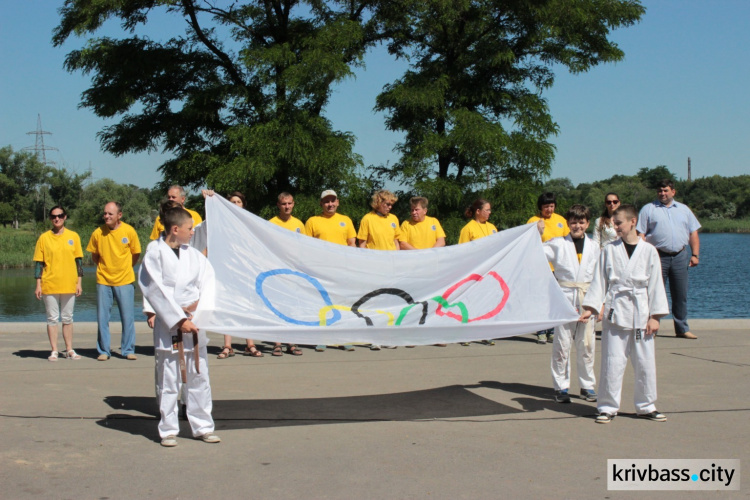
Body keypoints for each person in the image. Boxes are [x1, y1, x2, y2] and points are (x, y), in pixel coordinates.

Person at [138, 206, 220, 446]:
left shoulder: (194, 255)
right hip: (170, 324)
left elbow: (209, 283)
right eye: (189, 228)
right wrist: (178, 319)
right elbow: (152, 287)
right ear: (175, 229)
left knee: (199, 376)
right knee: (169, 379)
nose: (192, 232)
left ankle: (203, 426)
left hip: (195, 323)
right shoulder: (155, 252)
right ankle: (168, 429)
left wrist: (198, 314)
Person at [580, 204, 669, 424]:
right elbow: (599, 281)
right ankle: (607, 407)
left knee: (645, 362)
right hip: (615, 312)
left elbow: (656, 284)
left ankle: (646, 406)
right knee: (612, 362)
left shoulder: (649, 251)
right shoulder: (609, 250)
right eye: (613, 222)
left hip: (642, 314)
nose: (615, 226)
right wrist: (591, 307)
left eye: (618, 222)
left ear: (632, 222)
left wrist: (655, 317)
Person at [539, 205, 600, 403]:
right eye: (573, 222)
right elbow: (535, 253)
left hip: (587, 298)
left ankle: (587, 385)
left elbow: (601, 277)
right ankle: (561, 386)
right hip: (564, 297)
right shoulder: (557, 244)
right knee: (562, 345)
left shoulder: (595, 247)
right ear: (568, 223)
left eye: (581, 222)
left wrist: (599, 304)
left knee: (587, 346)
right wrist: (536, 234)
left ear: (587, 224)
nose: (577, 226)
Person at [198, 191, 265, 359]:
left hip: (245, 273)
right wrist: (210, 200)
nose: (235, 205)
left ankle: (250, 344)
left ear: (243, 205)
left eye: (238, 202)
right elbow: (209, 245)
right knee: (227, 308)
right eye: (232, 202)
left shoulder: (248, 224)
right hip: (226, 273)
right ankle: (227, 346)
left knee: (247, 309)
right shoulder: (220, 225)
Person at [637, 179, 701, 340]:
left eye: (666, 190)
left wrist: (695, 254)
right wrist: (643, 255)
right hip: (657, 255)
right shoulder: (648, 209)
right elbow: (641, 234)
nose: (662, 193)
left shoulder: (684, 210)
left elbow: (693, 232)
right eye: (660, 191)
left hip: (680, 255)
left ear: (673, 191)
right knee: (654, 292)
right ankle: (652, 327)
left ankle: (682, 329)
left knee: (680, 294)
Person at [87, 202, 141, 361]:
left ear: (119, 215)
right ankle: (104, 350)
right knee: (103, 318)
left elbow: (136, 253)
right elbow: (94, 255)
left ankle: (128, 349)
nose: (106, 216)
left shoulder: (129, 231)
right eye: (105, 213)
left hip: (125, 280)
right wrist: (105, 268)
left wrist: (125, 267)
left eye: (110, 214)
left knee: (127, 317)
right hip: (104, 280)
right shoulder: (98, 233)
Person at [305, 189, 357, 352]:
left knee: (342, 303)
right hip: (321, 270)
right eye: (326, 201)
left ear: (338, 202)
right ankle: (322, 338)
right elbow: (306, 246)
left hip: (342, 270)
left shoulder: (346, 220)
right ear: (321, 204)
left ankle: (344, 338)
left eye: (332, 201)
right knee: (322, 304)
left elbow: (352, 244)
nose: (330, 204)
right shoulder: (313, 221)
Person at [33, 206, 84, 361]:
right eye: (54, 216)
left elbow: (79, 262)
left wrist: (79, 283)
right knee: (52, 318)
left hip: (69, 283)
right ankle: (54, 350)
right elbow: (38, 264)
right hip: (50, 283)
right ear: (50, 218)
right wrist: (38, 284)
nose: (57, 218)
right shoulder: (44, 238)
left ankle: (69, 349)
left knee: (68, 317)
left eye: (60, 216)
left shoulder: (73, 236)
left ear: (65, 217)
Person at [357, 190, 403, 350]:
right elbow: (361, 243)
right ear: (378, 202)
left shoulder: (394, 219)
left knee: (390, 302)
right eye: (387, 204)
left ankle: (388, 336)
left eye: (391, 204)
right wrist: (364, 265)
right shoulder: (367, 218)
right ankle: (373, 337)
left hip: (390, 267)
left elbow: (396, 241)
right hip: (374, 267)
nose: (390, 207)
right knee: (374, 302)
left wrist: (397, 261)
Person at [527, 192, 570, 344]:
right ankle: (541, 330)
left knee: (554, 298)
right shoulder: (534, 220)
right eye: (546, 207)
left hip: (558, 266)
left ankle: (552, 329)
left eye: (551, 206)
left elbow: (567, 240)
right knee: (542, 298)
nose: (549, 210)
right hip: (541, 266)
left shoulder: (561, 220)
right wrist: (538, 231)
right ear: (540, 207)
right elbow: (528, 242)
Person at [266, 192, 305, 356]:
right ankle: (277, 343)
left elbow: (304, 247)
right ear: (278, 205)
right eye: (284, 204)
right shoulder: (270, 223)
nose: (287, 206)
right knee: (277, 307)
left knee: (292, 307)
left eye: (289, 203)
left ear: (293, 204)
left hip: (294, 271)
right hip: (276, 271)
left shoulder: (298, 224)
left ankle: (291, 341)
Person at [458, 199, 497, 346]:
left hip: (489, 272)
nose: (489, 212)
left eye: (489, 210)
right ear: (478, 211)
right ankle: (465, 334)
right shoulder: (467, 229)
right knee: (469, 303)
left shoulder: (492, 227)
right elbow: (462, 252)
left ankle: (485, 333)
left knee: (486, 302)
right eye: (486, 210)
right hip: (473, 271)